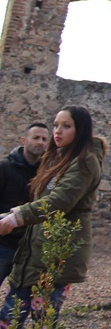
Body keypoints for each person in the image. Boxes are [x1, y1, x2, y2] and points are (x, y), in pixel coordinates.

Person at [0, 106, 105, 325]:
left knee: (43, 319)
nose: (57, 131)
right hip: (35, 251)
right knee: (9, 317)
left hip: (57, 255)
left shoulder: (84, 162)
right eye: (56, 125)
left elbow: (58, 202)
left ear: (81, 130)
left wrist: (16, 217)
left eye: (66, 126)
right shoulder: (57, 159)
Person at [0, 123, 48, 285]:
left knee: (20, 300)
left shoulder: (46, 173)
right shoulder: (4, 168)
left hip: (30, 247)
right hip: (3, 243)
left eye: (44, 139)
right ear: (23, 140)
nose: (40, 142)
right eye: (36, 138)